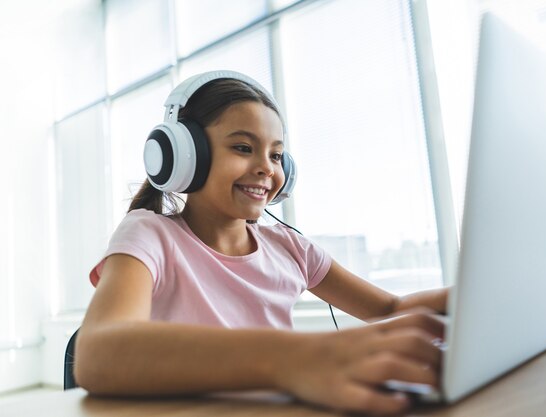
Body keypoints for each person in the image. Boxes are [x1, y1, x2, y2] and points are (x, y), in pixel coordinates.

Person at [75, 71, 448, 416]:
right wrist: (292, 359)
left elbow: (390, 309)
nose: (267, 168)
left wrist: (478, 296)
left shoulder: (291, 248)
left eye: (275, 154)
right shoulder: (149, 234)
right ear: (184, 155)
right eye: (242, 148)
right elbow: (98, 354)